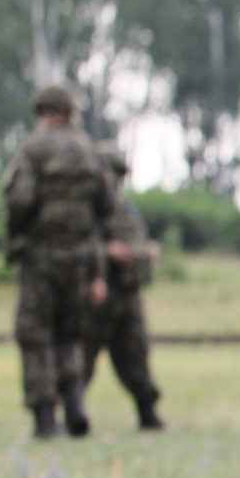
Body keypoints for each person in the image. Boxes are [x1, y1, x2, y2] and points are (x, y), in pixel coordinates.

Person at [1, 84, 112, 440]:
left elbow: (20, 200)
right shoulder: (90, 151)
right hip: (80, 260)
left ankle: (46, 418)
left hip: (41, 258)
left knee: (35, 334)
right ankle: (75, 404)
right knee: (70, 336)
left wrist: (18, 233)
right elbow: (106, 206)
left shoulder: (34, 148)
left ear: (43, 112)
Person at [84, 143, 164, 431]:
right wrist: (106, 250)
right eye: (109, 172)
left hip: (128, 294)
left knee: (136, 356)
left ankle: (148, 413)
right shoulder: (86, 210)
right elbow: (75, 245)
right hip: (97, 292)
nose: (113, 179)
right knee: (82, 357)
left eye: (118, 173)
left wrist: (147, 252)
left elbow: (137, 241)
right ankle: (72, 413)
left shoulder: (128, 210)